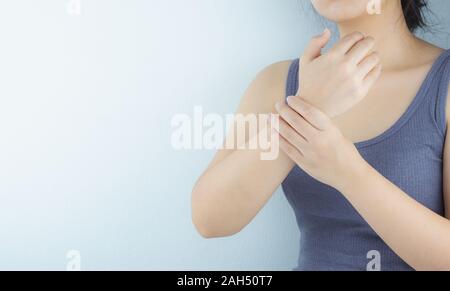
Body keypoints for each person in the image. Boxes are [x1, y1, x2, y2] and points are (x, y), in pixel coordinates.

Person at [191, 0, 450, 271]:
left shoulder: (443, 82)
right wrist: (307, 103)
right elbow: (210, 220)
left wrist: (348, 173)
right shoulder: (278, 83)